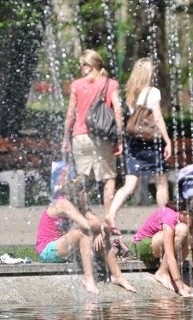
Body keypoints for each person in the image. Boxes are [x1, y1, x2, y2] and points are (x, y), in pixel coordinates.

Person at [104, 57, 173, 234]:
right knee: (161, 183)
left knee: (129, 185)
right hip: (151, 142)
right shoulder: (153, 92)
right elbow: (157, 118)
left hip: (134, 143)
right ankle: (164, 220)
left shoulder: (131, 93)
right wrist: (167, 140)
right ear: (148, 74)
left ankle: (110, 214)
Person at [35, 175, 136, 295]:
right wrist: (99, 231)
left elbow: (95, 222)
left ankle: (117, 276)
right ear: (83, 192)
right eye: (90, 194)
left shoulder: (77, 203)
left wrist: (101, 232)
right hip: (47, 251)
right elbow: (87, 225)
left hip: (62, 247)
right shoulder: (63, 203)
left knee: (103, 237)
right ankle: (88, 278)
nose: (90, 199)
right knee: (83, 234)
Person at [62, 49, 124, 215]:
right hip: (103, 137)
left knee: (81, 180)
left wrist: (66, 139)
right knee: (109, 178)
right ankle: (108, 218)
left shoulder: (76, 85)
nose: (80, 68)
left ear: (89, 66)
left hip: (80, 137)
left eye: (82, 64)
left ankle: (85, 218)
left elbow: (70, 114)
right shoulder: (111, 84)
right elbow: (117, 111)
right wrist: (119, 138)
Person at [131, 197, 193, 297]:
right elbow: (170, 254)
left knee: (192, 236)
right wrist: (179, 285)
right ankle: (162, 272)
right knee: (182, 229)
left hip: (158, 249)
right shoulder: (170, 216)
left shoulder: (192, 225)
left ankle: (171, 275)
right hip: (142, 246)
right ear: (184, 213)